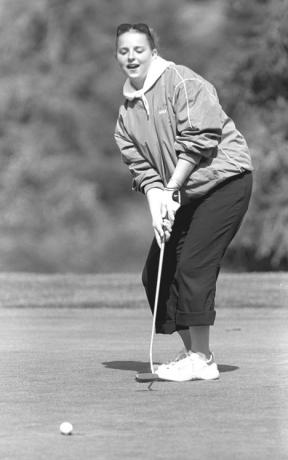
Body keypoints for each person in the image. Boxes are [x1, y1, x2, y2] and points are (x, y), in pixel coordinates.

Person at [114, 23, 253, 382]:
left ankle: (203, 359)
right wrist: (157, 208)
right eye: (123, 51)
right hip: (186, 193)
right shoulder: (125, 116)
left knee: (192, 264)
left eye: (138, 50)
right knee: (154, 273)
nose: (131, 57)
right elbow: (144, 172)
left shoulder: (182, 82)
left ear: (153, 51)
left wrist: (173, 187)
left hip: (225, 181)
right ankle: (195, 353)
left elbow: (201, 138)